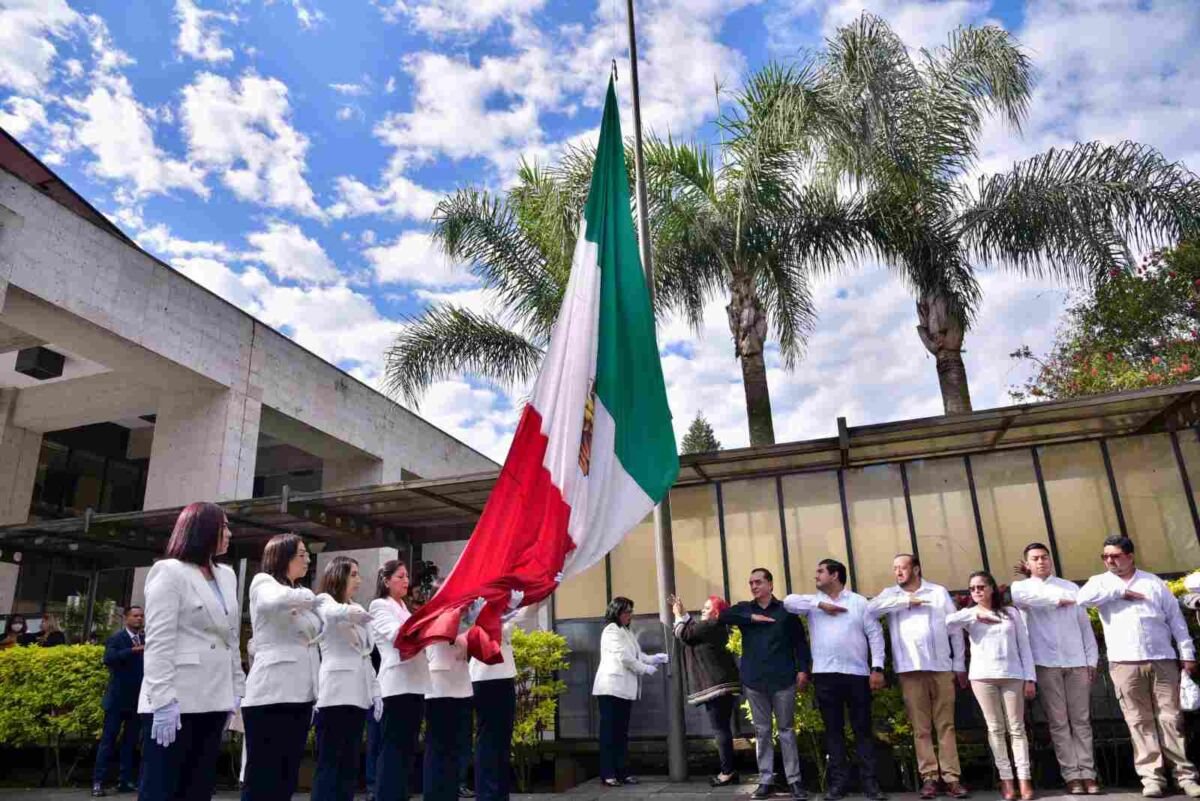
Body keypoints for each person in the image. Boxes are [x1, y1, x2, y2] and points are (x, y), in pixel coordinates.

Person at [1076, 535, 1200, 799]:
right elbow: (1082, 599)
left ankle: (1184, 776)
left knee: (1171, 718)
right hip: (1124, 662)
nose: (1110, 560)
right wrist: (1119, 592)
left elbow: (1176, 620)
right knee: (1138, 721)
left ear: (1130, 556)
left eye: (1115, 555)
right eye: (1105, 556)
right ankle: (1151, 778)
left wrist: (1186, 653)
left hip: (1162, 659)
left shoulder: (1153, 582)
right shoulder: (1100, 583)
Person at [138, 502, 246, 801]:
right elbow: (159, 641)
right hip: (176, 700)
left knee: (199, 788)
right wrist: (162, 701)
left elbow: (230, 637)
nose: (229, 533)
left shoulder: (226, 574)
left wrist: (237, 688)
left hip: (214, 697)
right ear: (202, 529)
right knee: (162, 787)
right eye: (224, 526)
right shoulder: (169, 572)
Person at [783, 559, 886, 801]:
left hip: (857, 675)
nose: (815, 575)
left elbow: (875, 636)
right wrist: (821, 605)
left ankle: (870, 785)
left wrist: (877, 668)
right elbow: (788, 602)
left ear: (836, 574)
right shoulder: (812, 603)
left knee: (862, 730)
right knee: (833, 733)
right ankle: (839, 785)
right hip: (825, 676)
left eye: (820, 571)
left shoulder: (859, 603)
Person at [867, 554, 968, 800]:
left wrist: (959, 664)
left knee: (946, 725)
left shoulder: (937, 592)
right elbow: (870, 610)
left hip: (941, 667)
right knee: (920, 728)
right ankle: (929, 778)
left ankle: (952, 778)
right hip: (909, 670)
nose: (898, 572)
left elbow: (954, 629)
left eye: (903, 567)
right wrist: (905, 602)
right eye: (895, 568)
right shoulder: (891, 594)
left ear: (916, 569)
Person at [1011, 543, 1100, 795]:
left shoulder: (1070, 586)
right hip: (1045, 662)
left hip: (1077, 662)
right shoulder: (1022, 588)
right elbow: (1022, 599)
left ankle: (1088, 774)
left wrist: (1091, 660)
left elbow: (1085, 626)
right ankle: (1071, 775)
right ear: (1027, 564)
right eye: (1035, 559)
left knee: (1081, 720)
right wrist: (1057, 600)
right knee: (1059, 722)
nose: (1041, 562)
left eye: (1044, 557)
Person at [718, 568, 812, 801]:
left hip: (783, 680)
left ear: (770, 584)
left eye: (758, 582)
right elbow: (722, 616)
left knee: (787, 731)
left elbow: (800, 643)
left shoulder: (786, 612)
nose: (754, 586)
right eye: (751, 583)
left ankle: (794, 781)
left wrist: (803, 670)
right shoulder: (745, 609)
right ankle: (765, 780)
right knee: (762, 732)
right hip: (754, 680)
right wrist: (751, 618)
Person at [241, 534, 321, 801]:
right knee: (264, 773)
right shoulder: (264, 582)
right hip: (271, 692)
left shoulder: (298, 593)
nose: (308, 559)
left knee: (286, 775)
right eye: (301, 554)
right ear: (282, 556)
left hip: (301, 692)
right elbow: (271, 602)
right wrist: (307, 596)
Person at [946, 572, 1037, 801]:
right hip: (982, 677)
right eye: (972, 588)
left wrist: (1030, 678)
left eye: (980, 587)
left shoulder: (1011, 613)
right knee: (995, 729)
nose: (976, 591)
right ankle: (1006, 781)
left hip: (1013, 675)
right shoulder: (968, 614)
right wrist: (974, 616)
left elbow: (1024, 646)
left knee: (1017, 729)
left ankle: (1024, 780)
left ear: (992, 589)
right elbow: (945, 625)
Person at [312, 556, 382, 801]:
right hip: (334, 694)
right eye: (353, 574)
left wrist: (376, 692)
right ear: (337, 575)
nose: (359, 580)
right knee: (329, 765)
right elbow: (332, 614)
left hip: (358, 695)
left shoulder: (356, 608)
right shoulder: (324, 600)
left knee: (348, 768)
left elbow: (366, 655)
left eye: (358, 574)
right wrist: (354, 612)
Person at [369, 560, 429, 801]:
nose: (406, 581)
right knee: (393, 750)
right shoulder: (379, 605)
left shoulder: (404, 607)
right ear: (386, 581)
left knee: (407, 751)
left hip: (414, 682)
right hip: (395, 685)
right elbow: (398, 634)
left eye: (407, 577)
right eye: (400, 576)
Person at [592, 596, 667, 788]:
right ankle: (608, 774)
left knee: (621, 733)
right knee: (610, 733)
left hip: (623, 690)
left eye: (631, 611)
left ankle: (622, 772)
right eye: (626, 611)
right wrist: (644, 669)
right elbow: (624, 658)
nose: (629, 615)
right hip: (610, 688)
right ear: (616, 612)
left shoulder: (626, 631)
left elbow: (636, 655)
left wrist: (655, 659)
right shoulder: (611, 631)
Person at [669, 592, 741, 788]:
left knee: (721, 731)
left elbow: (683, 633)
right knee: (723, 729)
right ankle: (729, 770)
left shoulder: (710, 626)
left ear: (716, 613)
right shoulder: (714, 627)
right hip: (725, 685)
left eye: (707, 608)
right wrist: (683, 615)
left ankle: (727, 772)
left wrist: (677, 615)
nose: (703, 610)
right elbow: (693, 630)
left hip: (718, 686)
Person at [424, 589, 487, 801]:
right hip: (439, 688)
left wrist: (471, 621)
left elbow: (463, 645)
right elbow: (447, 632)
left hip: (460, 687)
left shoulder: (458, 619)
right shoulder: (432, 615)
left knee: (456, 749)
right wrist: (470, 621)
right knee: (438, 749)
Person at [469, 590, 525, 801]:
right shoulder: (480, 604)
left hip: (504, 674)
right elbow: (477, 630)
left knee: (502, 739)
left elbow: (522, 616)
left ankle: (500, 794)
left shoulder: (505, 609)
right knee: (488, 740)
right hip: (485, 676)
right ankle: (487, 794)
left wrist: (513, 606)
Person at [92, 606, 145, 797]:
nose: (139, 619)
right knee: (108, 741)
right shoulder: (117, 638)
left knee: (130, 743)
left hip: (136, 701)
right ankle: (98, 782)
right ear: (126, 618)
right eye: (135, 616)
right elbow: (109, 659)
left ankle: (125, 781)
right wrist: (133, 650)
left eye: (141, 616)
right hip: (116, 700)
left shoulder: (146, 639)